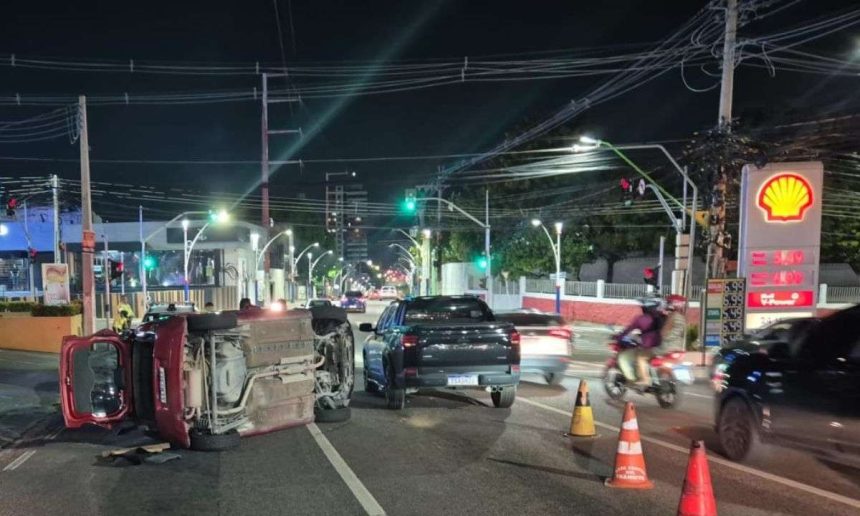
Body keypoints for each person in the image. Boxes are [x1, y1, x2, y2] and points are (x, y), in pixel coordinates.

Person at [616, 297, 666, 387]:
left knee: (640, 358)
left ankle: (645, 379)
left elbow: (627, 330)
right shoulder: (662, 317)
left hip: (650, 347)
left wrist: (618, 337)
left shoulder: (641, 319)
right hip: (664, 347)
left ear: (645, 308)